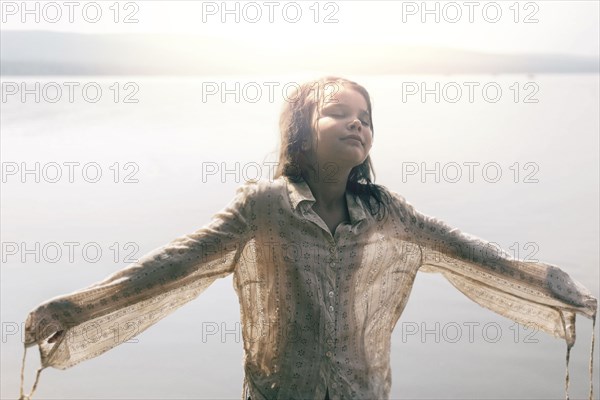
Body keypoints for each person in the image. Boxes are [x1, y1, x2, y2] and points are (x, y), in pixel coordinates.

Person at [19, 77, 597, 400]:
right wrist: (73, 307)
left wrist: (560, 288)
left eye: (365, 118)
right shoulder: (263, 208)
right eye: (338, 113)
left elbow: (478, 254)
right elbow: (171, 264)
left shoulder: (386, 211)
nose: (356, 124)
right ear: (301, 130)